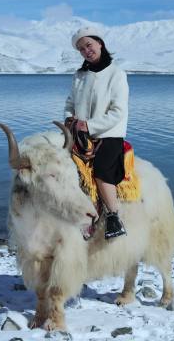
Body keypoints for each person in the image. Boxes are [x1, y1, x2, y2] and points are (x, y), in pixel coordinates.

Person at [64, 26, 129, 239]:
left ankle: (113, 217)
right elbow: (70, 102)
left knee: (101, 170)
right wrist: (69, 118)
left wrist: (89, 126)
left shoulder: (117, 74)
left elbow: (118, 112)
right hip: (79, 134)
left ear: (100, 43)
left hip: (109, 134)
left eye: (89, 45)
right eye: (81, 49)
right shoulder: (79, 75)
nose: (86, 51)